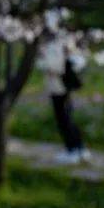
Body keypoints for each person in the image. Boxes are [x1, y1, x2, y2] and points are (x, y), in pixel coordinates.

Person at [39, 34, 91, 164]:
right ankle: (79, 149)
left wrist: (42, 61)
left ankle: (72, 150)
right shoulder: (65, 43)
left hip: (58, 88)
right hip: (63, 87)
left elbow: (55, 66)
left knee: (64, 120)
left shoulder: (54, 46)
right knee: (68, 118)